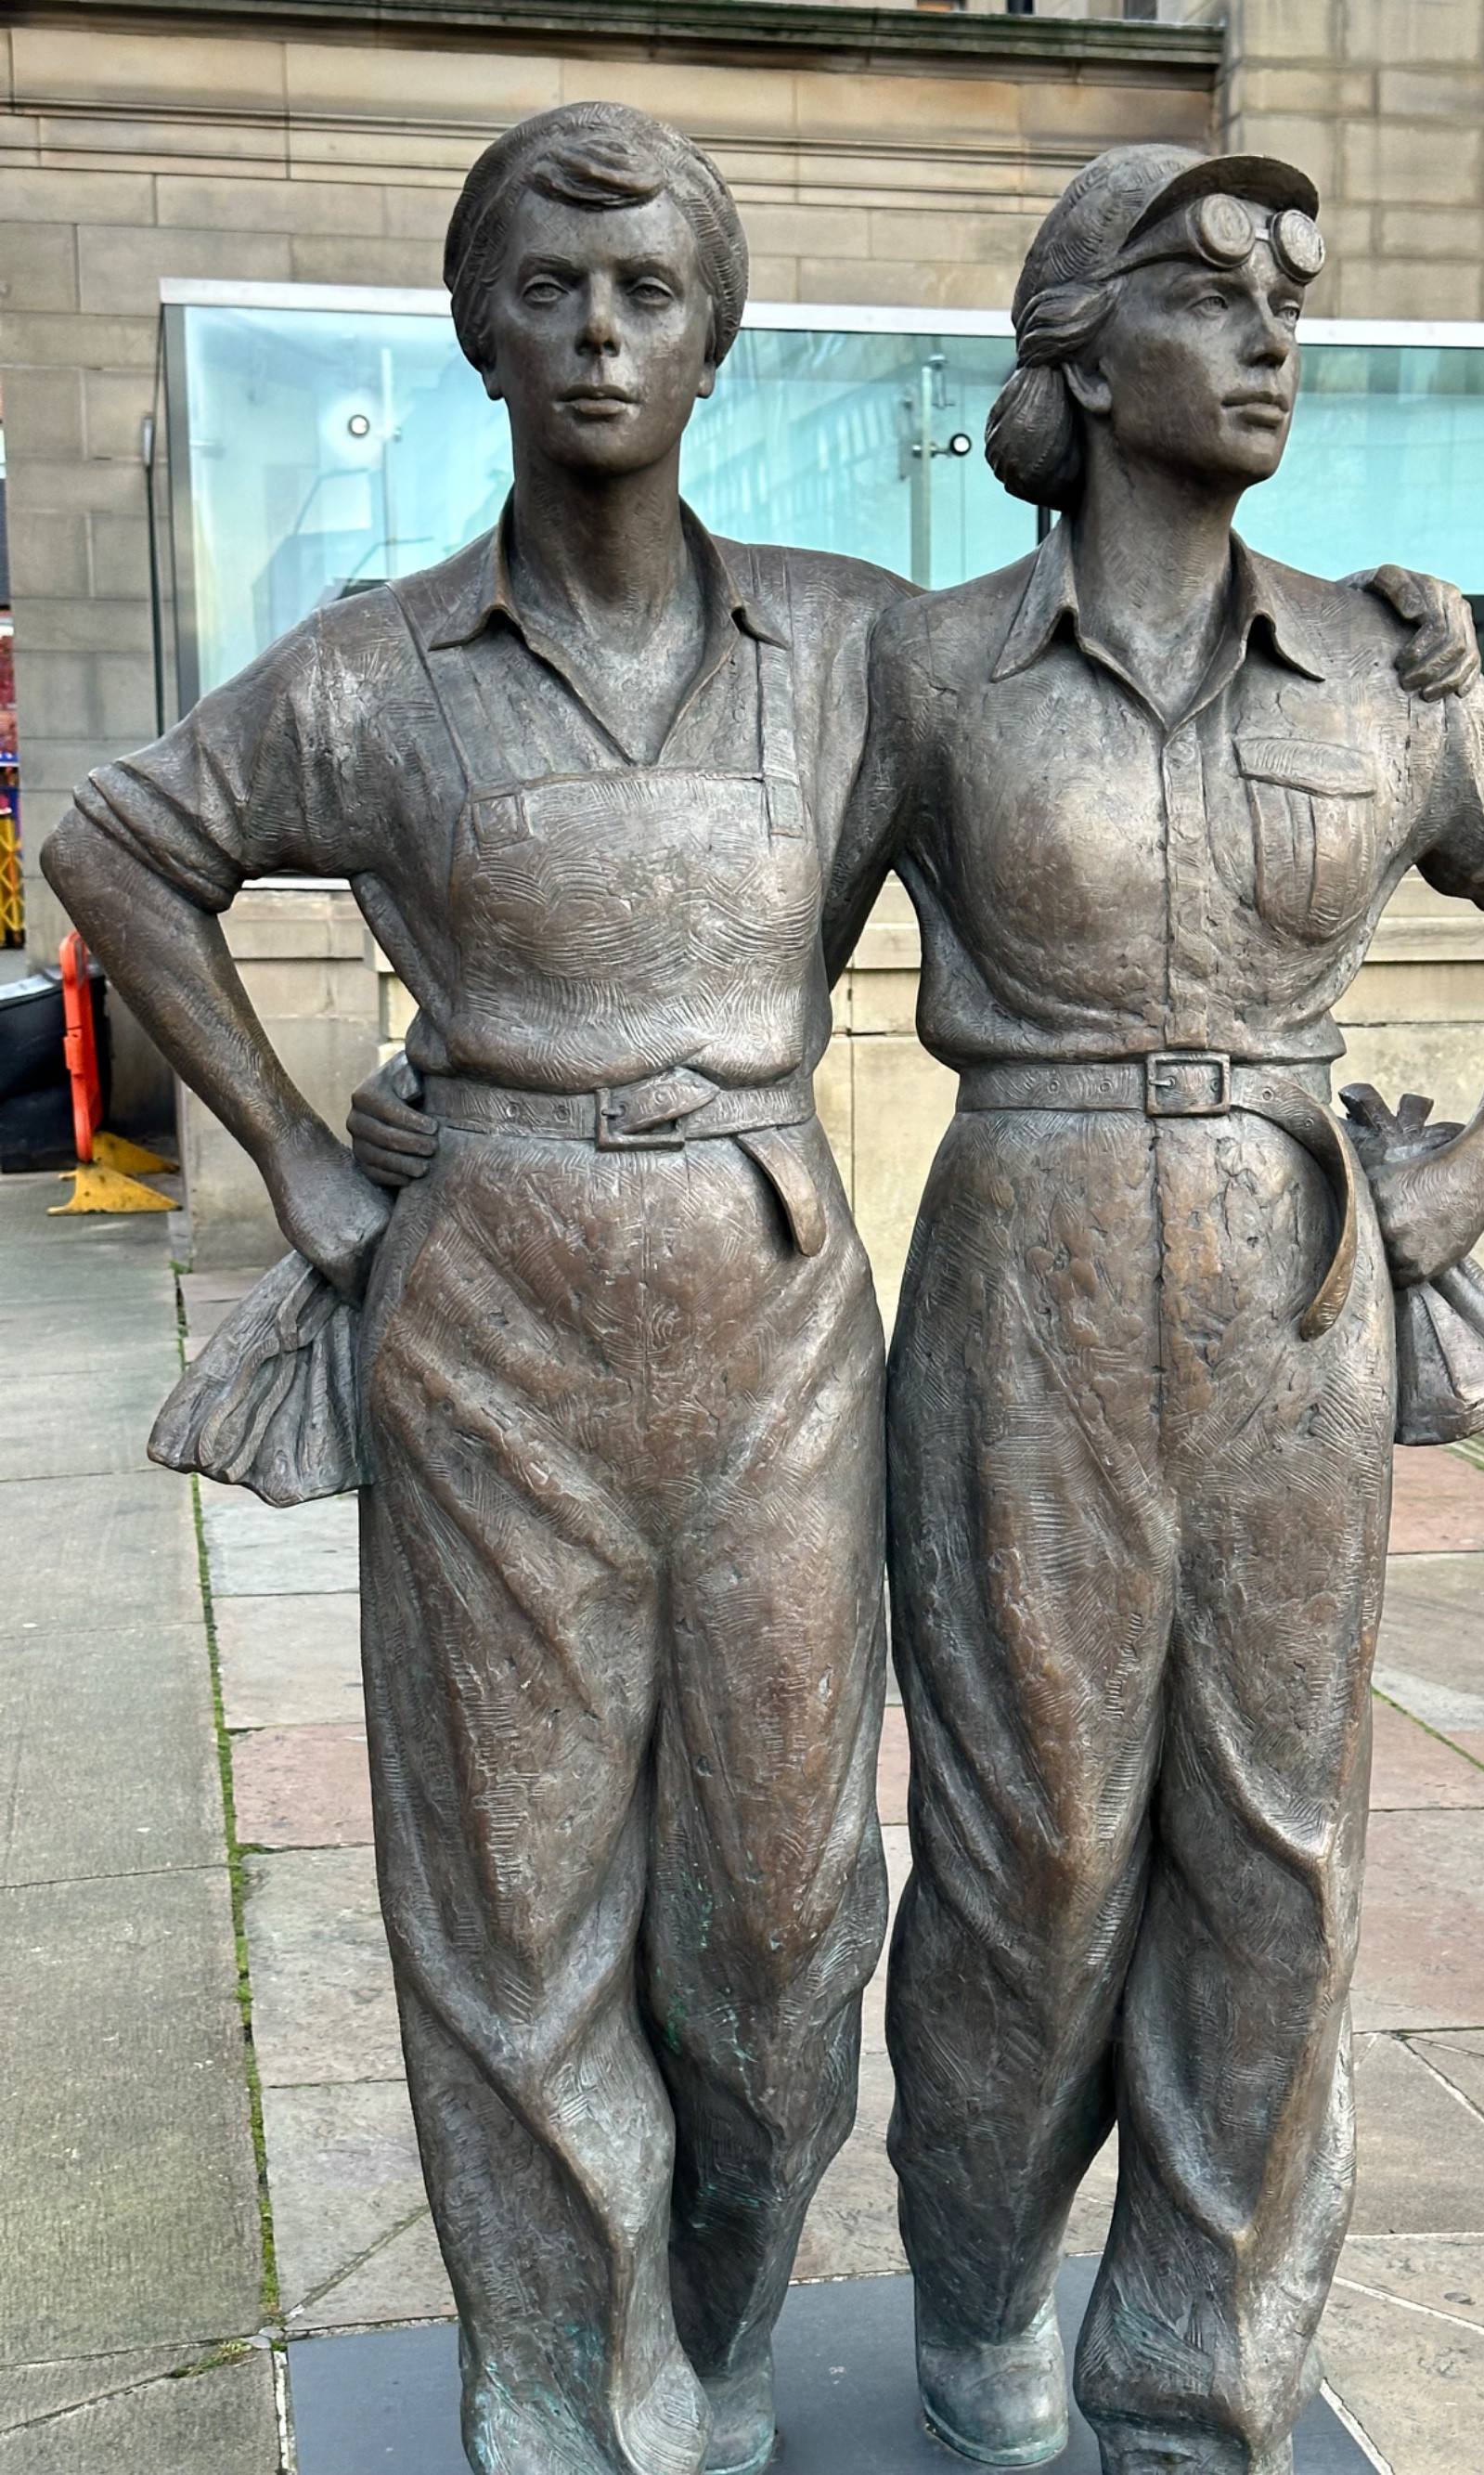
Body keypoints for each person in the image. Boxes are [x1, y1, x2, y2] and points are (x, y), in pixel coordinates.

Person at [45, 102, 902, 2475]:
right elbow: (117, 843)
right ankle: (562, 2392)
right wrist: (311, 1167)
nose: (603, 331)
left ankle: (716, 2323)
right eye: (554, 288)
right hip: (490, 1319)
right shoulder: (378, 663)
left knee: (784, 1918)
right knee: (513, 1902)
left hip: (771, 1325)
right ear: (478, 328)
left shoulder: (841, 638)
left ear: (719, 335)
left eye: (649, 292)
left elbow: (1083, 686)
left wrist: (1372, 627)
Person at [822, 148, 1484, 2475]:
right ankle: (983, 2280)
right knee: (1031, 1843)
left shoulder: (1382, 661)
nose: (1273, 334)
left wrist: (1475, 1161)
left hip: (1296, 1279)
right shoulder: (929, 668)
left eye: (1294, 295)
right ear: (1082, 355)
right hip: (1026, 1274)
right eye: (1211, 293)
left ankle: (1197, 2358)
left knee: (1275, 1846)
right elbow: (730, 950)